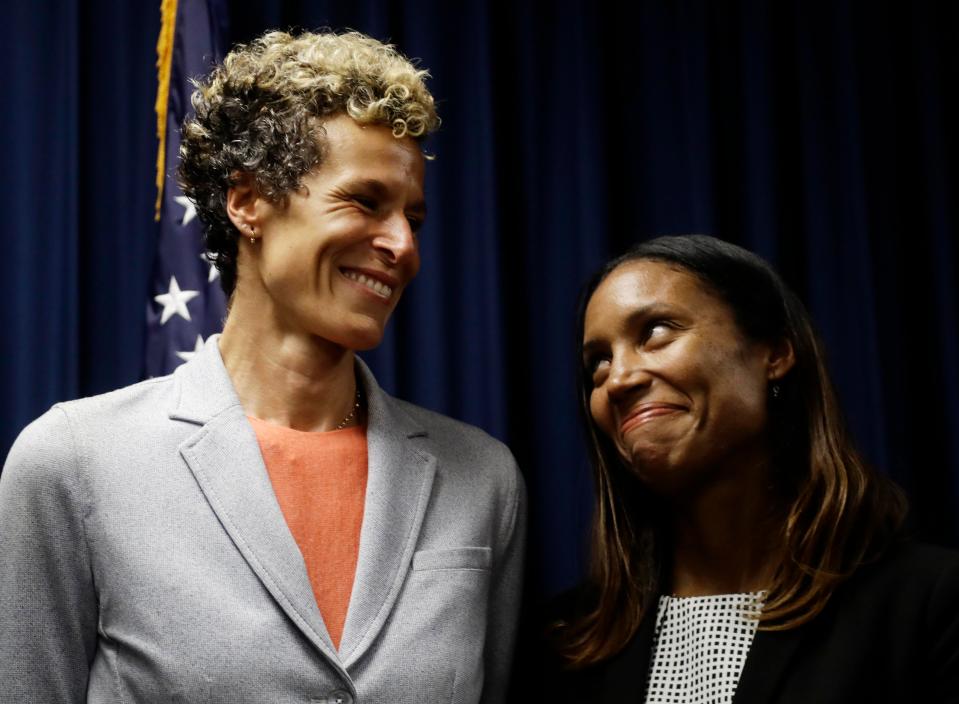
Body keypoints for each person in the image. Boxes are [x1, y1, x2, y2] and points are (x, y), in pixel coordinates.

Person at [0, 30, 524, 704]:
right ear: (247, 202)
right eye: (364, 201)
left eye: (412, 217)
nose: (401, 245)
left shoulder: (483, 478)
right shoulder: (70, 461)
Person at [546, 235, 959, 703]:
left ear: (775, 353)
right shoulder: (566, 641)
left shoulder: (928, 606)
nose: (618, 378)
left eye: (657, 332)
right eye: (598, 362)